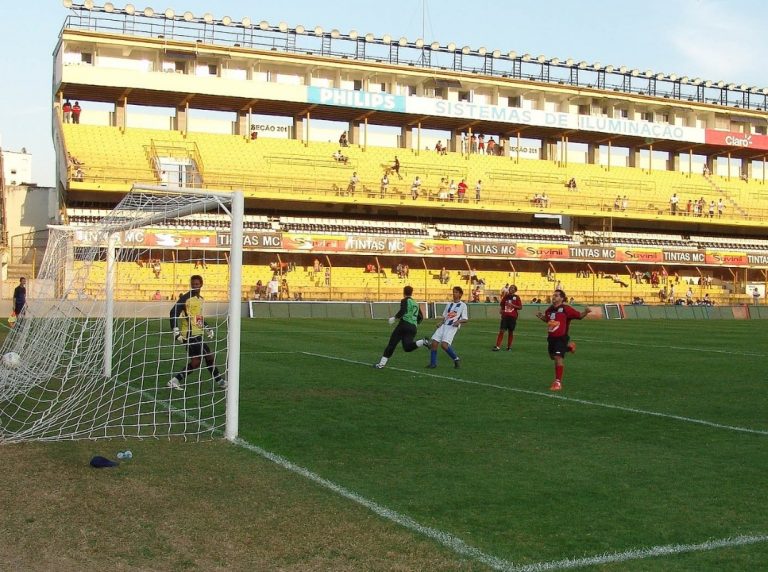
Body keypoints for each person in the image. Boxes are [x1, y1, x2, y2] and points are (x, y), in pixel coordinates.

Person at [168, 275, 226, 390]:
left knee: (195, 362)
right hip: (189, 334)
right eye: (193, 284)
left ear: (201, 285)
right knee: (208, 355)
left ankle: (174, 381)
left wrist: (207, 327)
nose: (195, 286)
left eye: (197, 284)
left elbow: (197, 317)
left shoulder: (200, 299)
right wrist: (175, 330)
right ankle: (221, 381)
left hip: (198, 333)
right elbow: (173, 312)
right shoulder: (186, 298)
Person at [535, 289, 591, 391]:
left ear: (561, 298)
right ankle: (569, 347)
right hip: (551, 338)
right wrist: (541, 317)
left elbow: (579, 316)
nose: (553, 297)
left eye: (556, 296)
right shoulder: (549, 310)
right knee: (553, 357)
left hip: (561, 337)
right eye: (553, 295)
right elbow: (548, 320)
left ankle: (557, 382)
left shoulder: (566, 309)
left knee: (558, 357)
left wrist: (586, 312)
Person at [374, 285, 429, 369]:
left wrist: (395, 318)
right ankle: (422, 342)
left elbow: (403, 310)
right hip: (413, 327)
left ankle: (381, 364)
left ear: (404, 293)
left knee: (392, 344)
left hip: (404, 325)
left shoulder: (405, 300)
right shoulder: (415, 303)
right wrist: (414, 322)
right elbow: (421, 317)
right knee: (407, 347)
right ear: (411, 292)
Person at [426, 286, 469, 369]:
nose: (454, 293)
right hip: (443, 326)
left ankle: (456, 359)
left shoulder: (463, 305)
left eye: (456, 292)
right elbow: (445, 316)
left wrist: (458, 322)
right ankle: (433, 364)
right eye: (453, 292)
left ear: (460, 294)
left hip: (452, 327)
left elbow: (465, 319)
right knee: (434, 343)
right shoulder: (449, 304)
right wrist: (441, 322)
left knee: (444, 345)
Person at [493, 284, 522, 351]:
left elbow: (520, 307)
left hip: (512, 317)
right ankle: (497, 346)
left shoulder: (516, 297)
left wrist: (513, 305)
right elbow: (502, 305)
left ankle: (509, 347)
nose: (510, 289)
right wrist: (501, 310)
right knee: (502, 330)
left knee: (510, 331)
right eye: (510, 288)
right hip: (505, 316)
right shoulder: (506, 296)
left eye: (512, 288)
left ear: (515, 290)